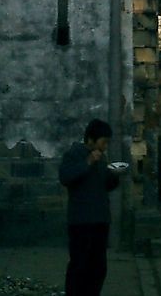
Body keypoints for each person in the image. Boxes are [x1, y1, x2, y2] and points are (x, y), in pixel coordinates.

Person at [58, 119, 121, 296]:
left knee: (98, 267)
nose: (105, 147)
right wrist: (88, 162)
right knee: (79, 265)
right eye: (103, 142)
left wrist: (114, 176)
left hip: (100, 219)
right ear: (91, 139)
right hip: (81, 220)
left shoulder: (101, 158)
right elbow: (66, 177)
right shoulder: (74, 153)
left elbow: (105, 185)